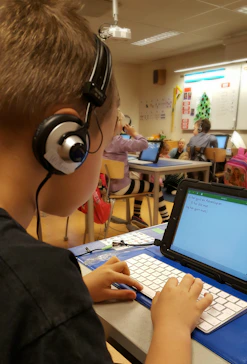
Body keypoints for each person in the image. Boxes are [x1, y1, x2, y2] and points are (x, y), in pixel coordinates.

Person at [0, 1, 213, 363]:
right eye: (111, 126)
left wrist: (68, 298)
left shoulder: (36, 290)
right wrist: (173, 327)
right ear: (66, 141)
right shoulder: (39, 278)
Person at [104, 113, 170, 228]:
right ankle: (166, 220)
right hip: (121, 187)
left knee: (141, 184)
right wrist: (133, 133)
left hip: (107, 187)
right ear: (116, 124)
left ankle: (136, 215)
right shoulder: (118, 140)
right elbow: (144, 144)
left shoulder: (103, 140)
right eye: (121, 121)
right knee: (156, 187)